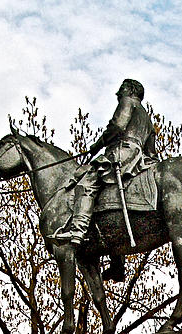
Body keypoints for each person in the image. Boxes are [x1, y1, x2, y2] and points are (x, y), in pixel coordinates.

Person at [54, 78, 158, 281]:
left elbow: (118, 126)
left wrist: (99, 143)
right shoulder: (146, 117)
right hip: (138, 157)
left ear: (129, 90)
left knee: (87, 183)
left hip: (121, 152)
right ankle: (117, 263)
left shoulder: (128, 102)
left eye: (120, 90)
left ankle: (77, 230)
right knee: (111, 202)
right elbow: (152, 152)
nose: (117, 94)